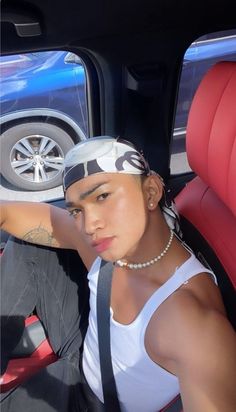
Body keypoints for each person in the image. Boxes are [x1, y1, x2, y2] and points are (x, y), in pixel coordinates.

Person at [1, 136, 236, 412]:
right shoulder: (110, 245)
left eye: (102, 196)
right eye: (77, 210)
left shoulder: (192, 327)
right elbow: (21, 217)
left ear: (150, 192)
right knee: (26, 242)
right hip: (83, 356)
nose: (89, 225)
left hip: (98, 404)